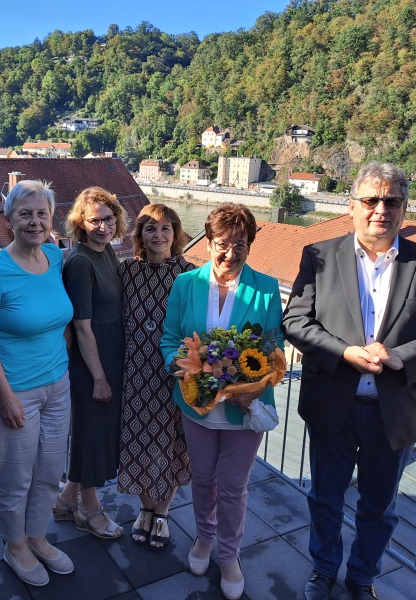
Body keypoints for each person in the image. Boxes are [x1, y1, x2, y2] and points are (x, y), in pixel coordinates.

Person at [282, 162, 416, 600]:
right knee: (325, 498)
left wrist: (404, 356)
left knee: (380, 507)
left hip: (394, 409)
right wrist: (343, 352)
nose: (380, 210)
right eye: (370, 200)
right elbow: (295, 321)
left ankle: (362, 577)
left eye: (391, 201)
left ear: (404, 208)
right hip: (333, 402)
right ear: (351, 207)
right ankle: (323, 571)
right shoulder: (319, 256)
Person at [159, 203, 284, 600]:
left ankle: (229, 556)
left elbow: (274, 347)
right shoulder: (186, 284)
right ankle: (204, 537)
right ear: (209, 242)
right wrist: (184, 367)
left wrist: (250, 387)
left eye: (240, 245)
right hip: (196, 403)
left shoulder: (265, 288)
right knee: (201, 478)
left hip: (243, 406)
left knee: (232, 486)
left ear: (250, 245)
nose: (230, 254)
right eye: (223, 244)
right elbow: (169, 338)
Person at [0, 180, 75, 587]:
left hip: (58, 386)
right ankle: (14, 546)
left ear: (51, 219)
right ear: (9, 220)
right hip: (15, 392)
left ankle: (37, 538)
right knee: (16, 480)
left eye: (41, 214)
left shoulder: (54, 257)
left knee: (50, 472)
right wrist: (5, 397)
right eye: (25, 214)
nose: (35, 222)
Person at [117, 204, 194, 551]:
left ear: (175, 233)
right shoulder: (126, 272)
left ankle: (162, 513)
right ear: (140, 235)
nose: (158, 235)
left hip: (173, 374)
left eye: (165, 228)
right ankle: (145, 509)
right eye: (150, 229)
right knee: (139, 441)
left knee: (172, 444)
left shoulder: (190, 276)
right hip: (135, 373)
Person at [53, 187, 128, 539]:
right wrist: (98, 377)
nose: (103, 227)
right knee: (92, 435)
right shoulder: (81, 262)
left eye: (108, 219)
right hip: (91, 362)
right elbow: (82, 326)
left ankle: (67, 500)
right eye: (95, 221)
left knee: (96, 431)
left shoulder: (106, 252)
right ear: (80, 223)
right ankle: (90, 509)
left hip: (109, 354)